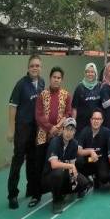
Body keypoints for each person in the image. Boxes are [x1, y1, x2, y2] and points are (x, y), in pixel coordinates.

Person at [7, 54, 45, 209]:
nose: (35, 68)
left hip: (36, 129)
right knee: (18, 161)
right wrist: (11, 129)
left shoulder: (42, 83)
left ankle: (31, 188)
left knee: (33, 160)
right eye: (32, 66)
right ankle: (13, 195)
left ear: (40, 67)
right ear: (28, 68)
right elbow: (12, 107)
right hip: (22, 129)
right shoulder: (21, 85)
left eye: (37, 65)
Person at [33, 66, 72, 206]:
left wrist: (58, 126)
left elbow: (68, 113)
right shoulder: (42, 95)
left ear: (62, 80)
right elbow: (38, 115)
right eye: (54, 77)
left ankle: (59, 193)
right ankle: (36, 195)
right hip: (43, 136)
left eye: (59, 78)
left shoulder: (66, 95)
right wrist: (51, 128)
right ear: (50, 78)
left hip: (59, 137)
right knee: (39, 167)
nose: (56, 79)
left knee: (57, 168)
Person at [41, 118, 90, 214]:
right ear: (62, 129)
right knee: (58, 172)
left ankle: (63, 191)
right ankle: (57, 200)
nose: (69, 132)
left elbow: (72, 164)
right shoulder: (55, 141)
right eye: (67, 129)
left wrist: (74, 177)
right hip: (49, 177)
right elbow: (54, 164)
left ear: (75, 132)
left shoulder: (74, 144)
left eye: (72, 130)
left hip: (64, 174)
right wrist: (71, 167)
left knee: (84, 183)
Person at [76, 109, 110, 189]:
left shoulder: (107, 132)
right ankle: (85, 179)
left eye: (98, 119)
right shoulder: (84, 131)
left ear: (102, 121)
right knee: (78, 161)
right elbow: (78, 150)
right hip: (88, 160)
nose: (96, 121)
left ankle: (97, 177)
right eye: (94, 119)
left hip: (101, 160)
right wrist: (90, 151)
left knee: (104, 177)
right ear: (91, 120)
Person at [72, 63, 101, 136]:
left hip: (96, 124)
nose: (90, 74)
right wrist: (73, 124)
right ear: (85, 73)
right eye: (88, 72)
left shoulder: (100, 86)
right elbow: (74, 108)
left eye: (92, 72)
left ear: (95, 73)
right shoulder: (79, 87)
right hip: (82, 125)